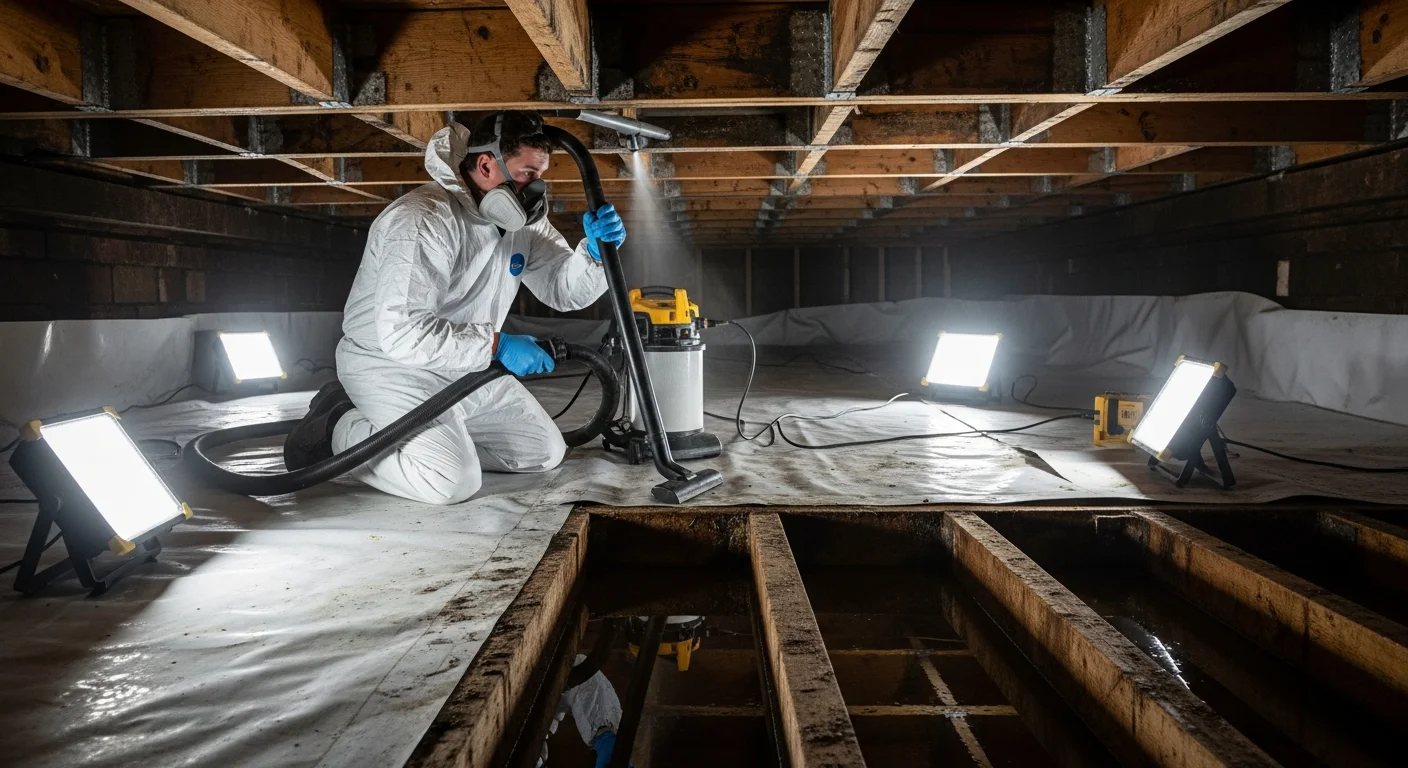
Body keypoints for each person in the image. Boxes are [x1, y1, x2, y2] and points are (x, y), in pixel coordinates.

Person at [282, 111, 627, 504]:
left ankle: (437, 441)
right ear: (487, 166)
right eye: (528, 174)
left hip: (465, 364)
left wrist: (594, 255)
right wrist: (496, 346)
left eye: (540, 176)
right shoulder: (424, 219)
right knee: (451, 481)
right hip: (391, 366)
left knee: (542, 452)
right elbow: (403, 333)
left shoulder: (523, 225)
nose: (536, 188)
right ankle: (337, 425)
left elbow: (564, 292)